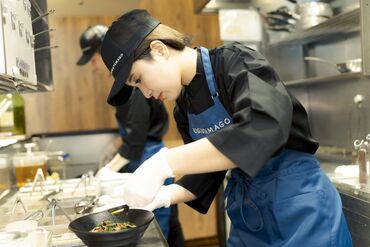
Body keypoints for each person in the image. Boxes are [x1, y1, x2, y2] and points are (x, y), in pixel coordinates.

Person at [99, 9, 353, 247]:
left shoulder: (235, 62)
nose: (144, 92)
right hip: (249, 218)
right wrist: (163, 195)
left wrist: (164, 162)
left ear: (159, 49)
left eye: (139, 79)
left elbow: (263, 127)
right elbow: (207, 173)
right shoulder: (183, 109)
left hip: (299, 207)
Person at [76, 25, 184, 245]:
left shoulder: (136, 85)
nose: (94, 67)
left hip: (148, 155)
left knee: (153, 226)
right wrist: (113, 150)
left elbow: (135, 139)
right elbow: (131, 130)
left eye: (94, 60)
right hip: (143, 154)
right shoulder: (127, 85)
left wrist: (108, 170)